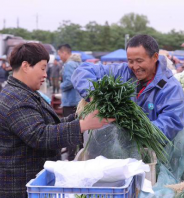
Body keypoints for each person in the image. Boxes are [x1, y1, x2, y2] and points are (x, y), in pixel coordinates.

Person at [0, 43, 114, 197]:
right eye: (42, 68)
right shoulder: (15, 98)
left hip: (34, 183)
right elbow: (40, 136)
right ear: (26, 66)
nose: (45, 75)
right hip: (21, 187)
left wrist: (79, 116)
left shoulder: (25, 93)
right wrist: (82, 125)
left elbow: (50, 126)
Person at [72, 34, 184, 141]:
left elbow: (170, 125)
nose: (135, 67)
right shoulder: (122, 71)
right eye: (130, 61)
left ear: (155, 57)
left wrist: (131, 128)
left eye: (139, 61)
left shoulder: (171, 88)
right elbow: (82, 71)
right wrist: (93, 94)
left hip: (150, 154)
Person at [58, 44, 83, 160]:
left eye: (59, 54)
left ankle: (71, 156)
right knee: (80, 129)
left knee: (70, 130)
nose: (59, 57)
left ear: (64, 52)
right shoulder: (78, 63)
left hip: (70, 101)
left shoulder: (68, 64)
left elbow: (69, 81)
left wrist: (60, 86)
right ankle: (80, 154)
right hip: (78, 101)